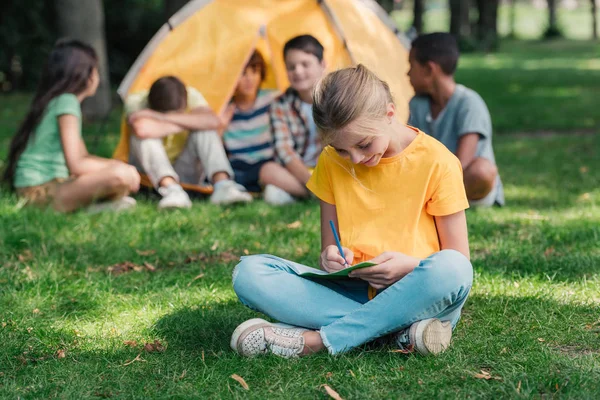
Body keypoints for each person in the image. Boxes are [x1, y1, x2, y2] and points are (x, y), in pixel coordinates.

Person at [229, 65, 473, 358]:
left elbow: (460, 260)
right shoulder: (331, 161)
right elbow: (329, 247)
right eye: (342, 150)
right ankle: (399, 333)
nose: (355, 159)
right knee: (249, 273)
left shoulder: (438, 162)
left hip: (418, 293)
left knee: (453, 269)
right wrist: (330, 257)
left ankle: (317, 341)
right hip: (355, 289)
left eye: (364, 144)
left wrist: (408, 266)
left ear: (390, 114)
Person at [3, 39, 140, 213]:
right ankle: (86, 207)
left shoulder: (60, 101)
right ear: (86, 75)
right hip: (39, 191)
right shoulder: (67, 102)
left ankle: (93, 207)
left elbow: (83, 156)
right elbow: (76, 165)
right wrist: (121, 169)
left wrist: (116, 165)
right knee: (120, 177)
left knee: (121, 177)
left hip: (46, 186)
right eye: (96, 70)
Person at [407, 32, 504, 207]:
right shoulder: (417, 104)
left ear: (429, 69)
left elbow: (460, 163)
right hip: (433, 182)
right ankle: (435, 201)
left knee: (482, 170)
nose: (407, 73)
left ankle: (439, 201)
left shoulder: (469, 103)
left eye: (411, 65)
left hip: (469, 187)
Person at [126, 76, 253, 209]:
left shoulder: (191, 95)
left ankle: (223, 185)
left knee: (205, 131)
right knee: (142, 138)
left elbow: (213, 121)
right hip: (150, 175)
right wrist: (190, 121)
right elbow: (142, 130)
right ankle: (171, 189)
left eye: (177, 113)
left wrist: (161, 118)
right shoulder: (136, 100)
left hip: (185, 167)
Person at [222, 50, 309, 205]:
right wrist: (220, 125)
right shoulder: (225, 109)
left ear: (261, 73)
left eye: (254, 72)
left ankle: (306, 194)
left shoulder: (273, 99)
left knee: (269, 170)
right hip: (240, 169)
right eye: (243, 73)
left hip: (271, 163)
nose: (249, 79)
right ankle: (296, 194)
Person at [269, 35, 326, 186]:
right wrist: (310, 181)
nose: (298, 71)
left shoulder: (335, 98)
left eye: (305, 64)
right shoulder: (280, 104)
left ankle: (308, 191)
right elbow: (284, 149)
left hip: (329, 168)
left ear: (322, 65)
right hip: (299, 172)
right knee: (268, 170)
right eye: (291, 67)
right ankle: (314, 191)